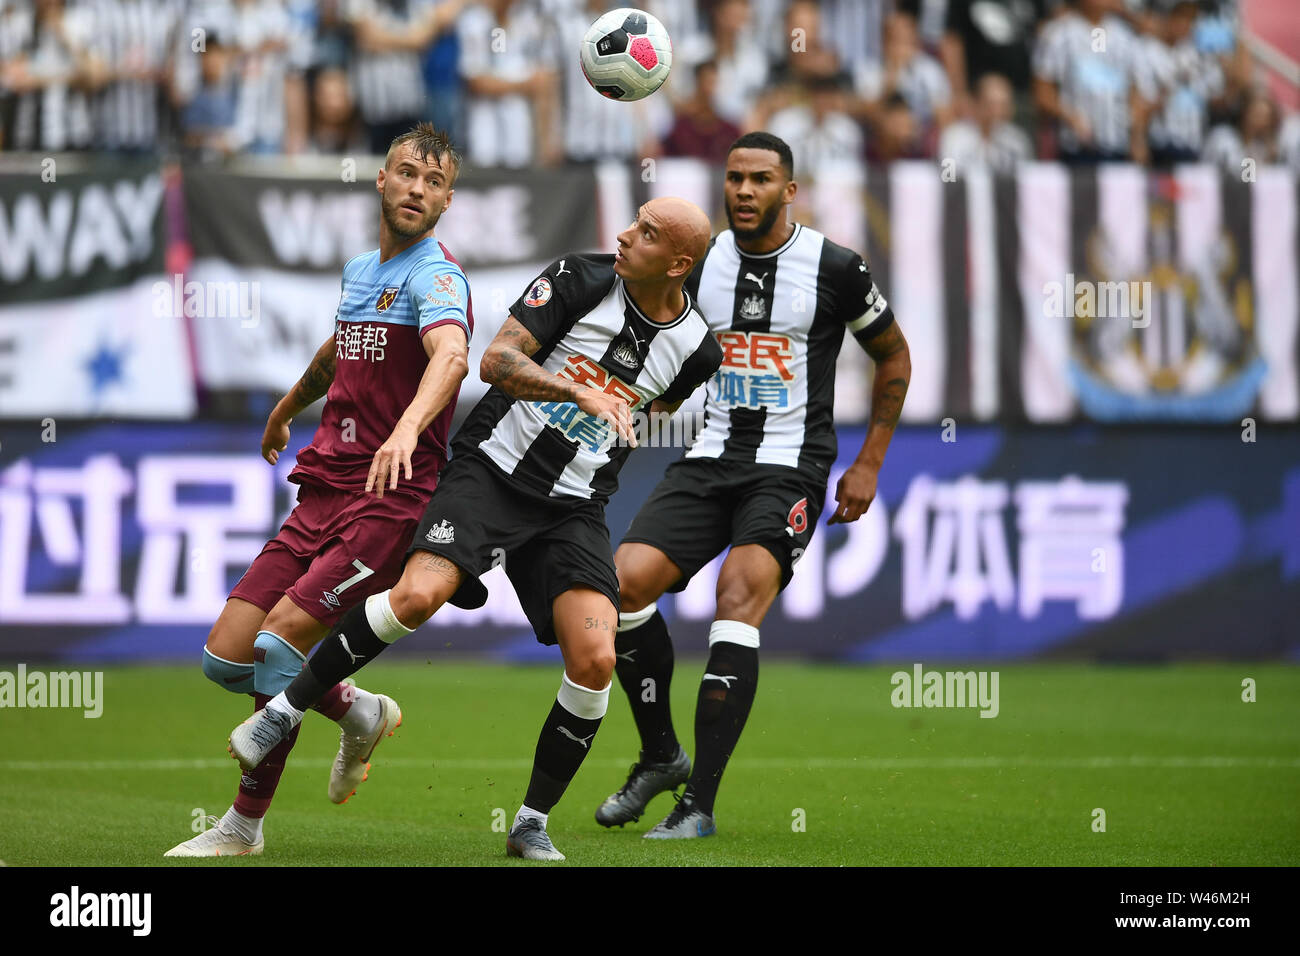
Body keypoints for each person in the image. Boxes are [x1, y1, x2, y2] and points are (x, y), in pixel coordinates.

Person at [226, 196, 722, 862]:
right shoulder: (579, 278)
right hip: (488, 473)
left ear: (680, 263)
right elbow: (496, 361)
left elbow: (653, 408)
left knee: (597, 659)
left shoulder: (700, 350)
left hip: (572, 507)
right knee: (417, 596)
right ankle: (284, 712)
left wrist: (600, 427)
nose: (627, 234)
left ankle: (529, 824)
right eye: (633, 220)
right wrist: (577, 392)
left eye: (648, 232)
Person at [165, 124, 473, 857]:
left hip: (390, 495)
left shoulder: (437, 277)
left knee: (276, 646)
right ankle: (357, 709)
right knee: (224, 658)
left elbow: (453, 355)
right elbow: (342, 349)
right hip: (324, 487)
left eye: (432, 183)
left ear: (447, 199)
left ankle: (243, 827)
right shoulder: (362, 269)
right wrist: (287, 406)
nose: (416, 189)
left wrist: (406, 431)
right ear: (381, 179)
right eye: (406, 174)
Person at [596, 131, 911, 839]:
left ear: (788, 190)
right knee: (622, 586)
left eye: (760, 179)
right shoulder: (699, 262)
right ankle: (660, 757)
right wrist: (647, 407)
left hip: (789, 465)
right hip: (710, 458)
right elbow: (682, 353)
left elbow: (893, 357)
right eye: (734, 178)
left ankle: (698, 805)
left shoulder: (836, 268)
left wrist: (871, 462)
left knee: (735, 595)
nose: (743, 191)